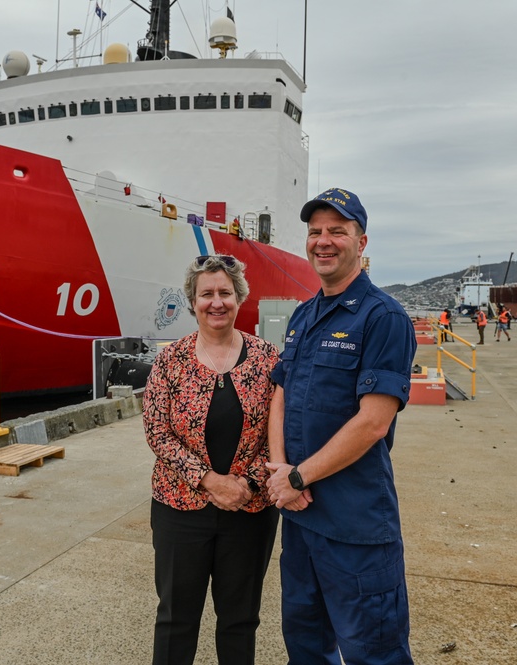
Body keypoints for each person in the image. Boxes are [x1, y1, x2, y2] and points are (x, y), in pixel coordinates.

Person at [264, 188, 417, 665]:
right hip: (301, 518)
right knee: (306, 647)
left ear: (361, 241)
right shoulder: (304, 315)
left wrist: (296, 478)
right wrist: (279, 472)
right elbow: (280, 396)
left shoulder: (383, 317)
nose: (323, 242)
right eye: (315, 232)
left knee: (375, 652)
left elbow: (372, 423)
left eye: (337, 231)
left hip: (355, 526)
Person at [143, 254, 280, 665]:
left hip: (249, 509)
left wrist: (247, 483)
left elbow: (282, 436)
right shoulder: (171, 359)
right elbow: (156, 430)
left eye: (225, 292)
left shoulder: (268, 359)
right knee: (175, 618)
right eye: (207, 294)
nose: (216, 302)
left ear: (239, 298)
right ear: (193, 302)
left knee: (239, 619)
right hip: (179, 509)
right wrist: (208, 480)